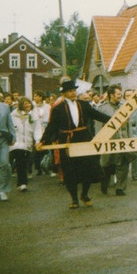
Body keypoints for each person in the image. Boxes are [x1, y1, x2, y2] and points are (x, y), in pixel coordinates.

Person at [37, 79, 112, 209]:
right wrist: (43, 141)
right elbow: (52, 126)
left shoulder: (84, 105)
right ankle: (74, 199)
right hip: (67, 140)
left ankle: (84, 194)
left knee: (88, 168)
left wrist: (114, 120)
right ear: (64, 93)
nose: (73, 93)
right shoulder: (58, 108)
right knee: (70, 171)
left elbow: (97, 115)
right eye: (70, 91)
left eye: (74, 90)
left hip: (84, 138)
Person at [96, 85, 137, 196]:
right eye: (118, 94)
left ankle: (120, 188)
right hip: (108, 142)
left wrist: (130, 139)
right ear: (111, 95)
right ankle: (104, 185)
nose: (120, 96)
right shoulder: (102, 108)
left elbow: (129, 124)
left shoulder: (125, 107)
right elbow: (98, 126)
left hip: (123, 140)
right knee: (106, 164)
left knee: (123, 164)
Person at [10, 97, 41, 192]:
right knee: (21, 161)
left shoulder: (33, 116)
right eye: (25, 103)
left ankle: (21, 182)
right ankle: (22, 183)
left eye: (28, 103)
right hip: (16, 143)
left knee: (24, 162)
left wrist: (37, 140)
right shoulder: (13, 115)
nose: (27, 105)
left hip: (27, 143)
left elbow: (37, 129)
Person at [31, 91, 51, 176]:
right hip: (35, 129)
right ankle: (38, 168)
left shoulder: (47, 106)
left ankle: (46, 167)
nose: (34, 98)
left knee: (46, 149)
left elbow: (49, 117)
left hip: (45, 129)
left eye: (36, 96)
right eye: (34, 96)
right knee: (36, 150)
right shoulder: (32, 106)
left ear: (40, 97)